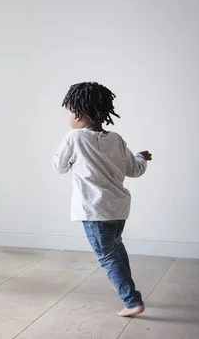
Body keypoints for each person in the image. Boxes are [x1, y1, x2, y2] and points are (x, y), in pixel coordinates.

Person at [53, 82, 152, 317]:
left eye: (67, 110)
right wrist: (141, 157)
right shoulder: (116, 139)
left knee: (107, 256)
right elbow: (135, 169)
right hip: (119, 209)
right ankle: (131, 294)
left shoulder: (74, 138)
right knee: (116, 249)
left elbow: (59, 166)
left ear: (78, 113)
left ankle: (131, 300)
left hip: (94, 211)